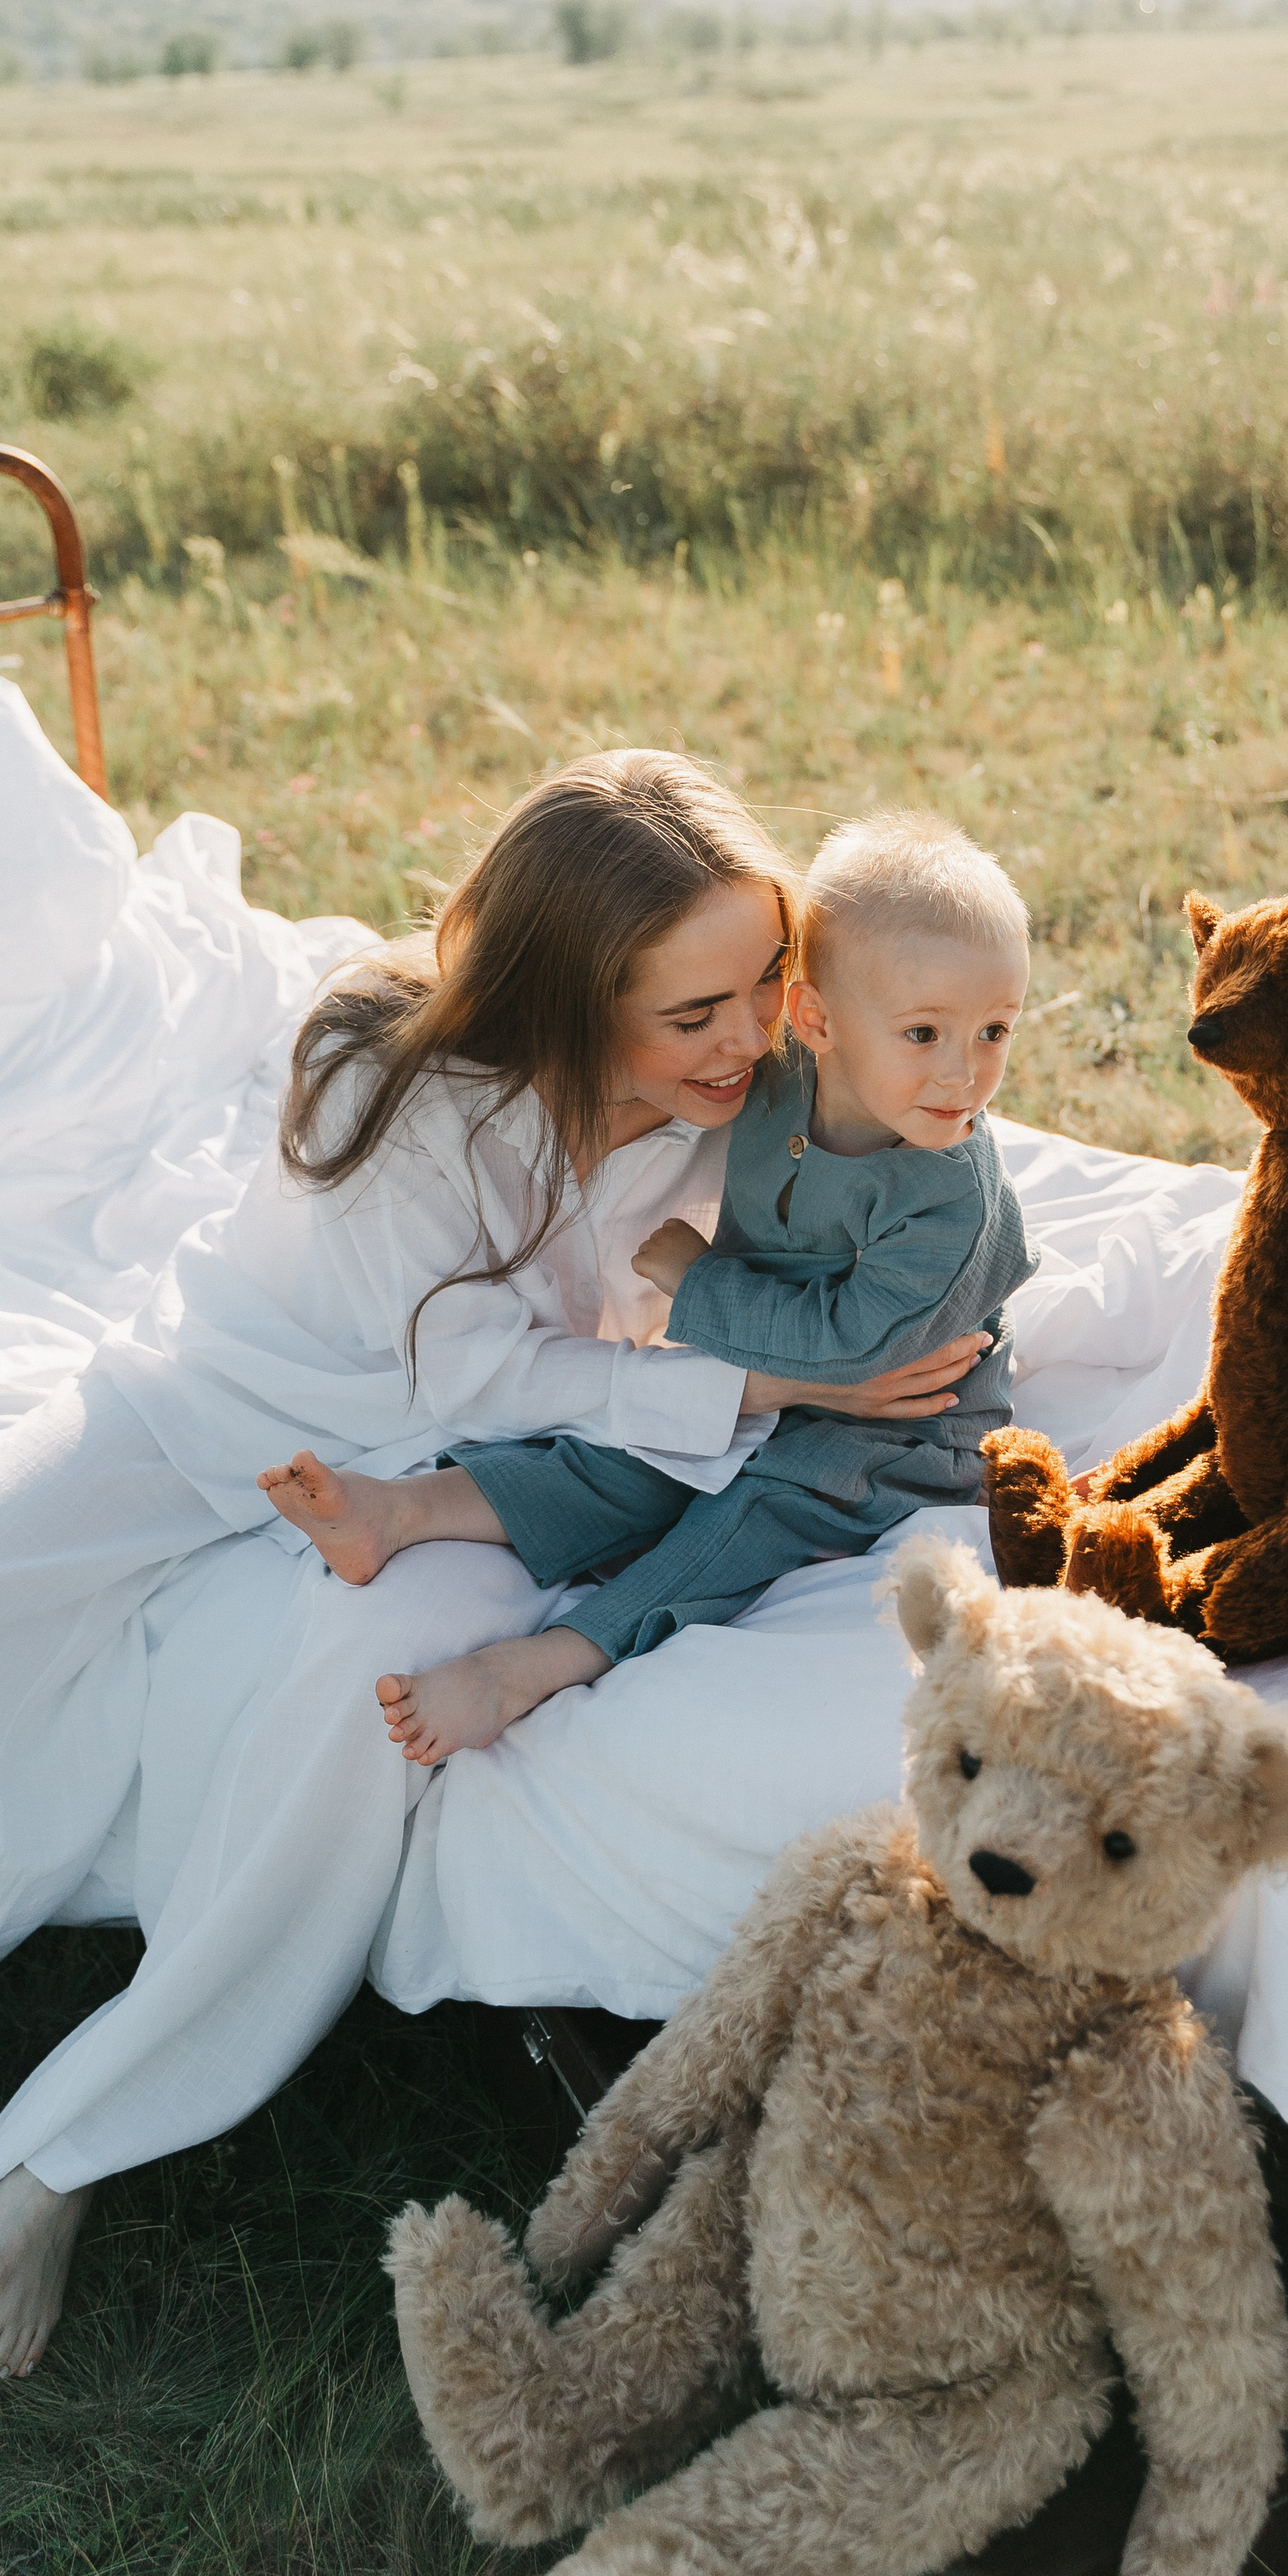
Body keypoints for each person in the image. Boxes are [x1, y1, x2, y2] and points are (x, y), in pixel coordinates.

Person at [0, 753, 987, 2383]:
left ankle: (55, 2156)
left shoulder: (739, 1102)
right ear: (562, 999)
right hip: (234, 1413)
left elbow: (867, 1189)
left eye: (764, 985)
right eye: (692, 1015)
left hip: (460, 1500)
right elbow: (455, 1367)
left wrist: (808, 1306)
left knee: (366, 1723)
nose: (743, 1041)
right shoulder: (369, 1072)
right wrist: (757, 1381)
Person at [260, 810, 1035, 1759]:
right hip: (780, 1372)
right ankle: (404, 1510)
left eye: (997, 1030)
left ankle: (542, 1662)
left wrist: (698, 1283)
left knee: (744, 1516)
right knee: (643, 1454)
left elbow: (867, 1353)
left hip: (903, 1424)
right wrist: (742, 1356)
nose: (967, 1073)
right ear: (820, 1020)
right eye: (925, 1034)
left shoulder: (943, 1182)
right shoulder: (788, 1076)